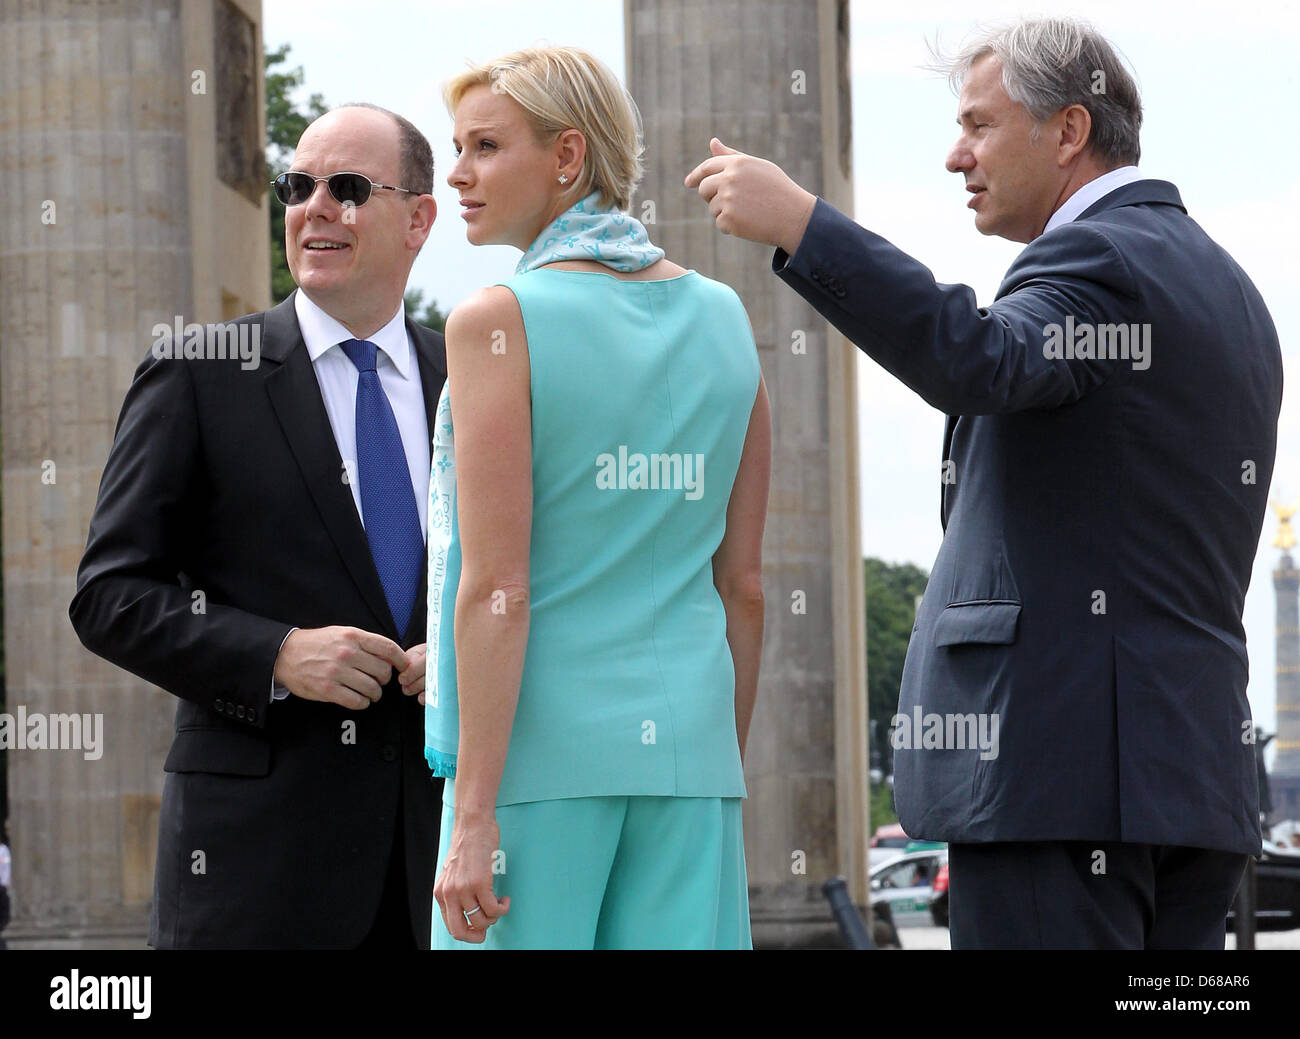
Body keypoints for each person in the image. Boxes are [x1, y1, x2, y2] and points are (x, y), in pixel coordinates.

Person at [686, 16, 1281, 949]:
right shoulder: (1234, 291)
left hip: (1059, 784)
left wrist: (804, 225)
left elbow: (979, 356)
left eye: (978, 125)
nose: (955, 155)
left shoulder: (1102, 259)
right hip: (1189, 788)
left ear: (1069, 131)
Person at [69, 104, 446, 948]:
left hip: (440, 870)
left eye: (347, 187)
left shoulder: (471, 377)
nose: (315, 206)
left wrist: (461, 652)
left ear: (419, 217)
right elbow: (108, 595)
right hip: (253, 876)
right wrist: (275, 653)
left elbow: (526, 580)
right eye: (296, 185)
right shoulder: (197, 374)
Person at [426, 46, 770, 950]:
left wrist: (473, 815)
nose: (457, 173)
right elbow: (744, 587)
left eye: (484, 146)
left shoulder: (496, 320)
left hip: (535, 772)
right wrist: (712, 765)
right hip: (694, 765)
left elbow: (496, 588)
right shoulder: (728, 318)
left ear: (568, 157)